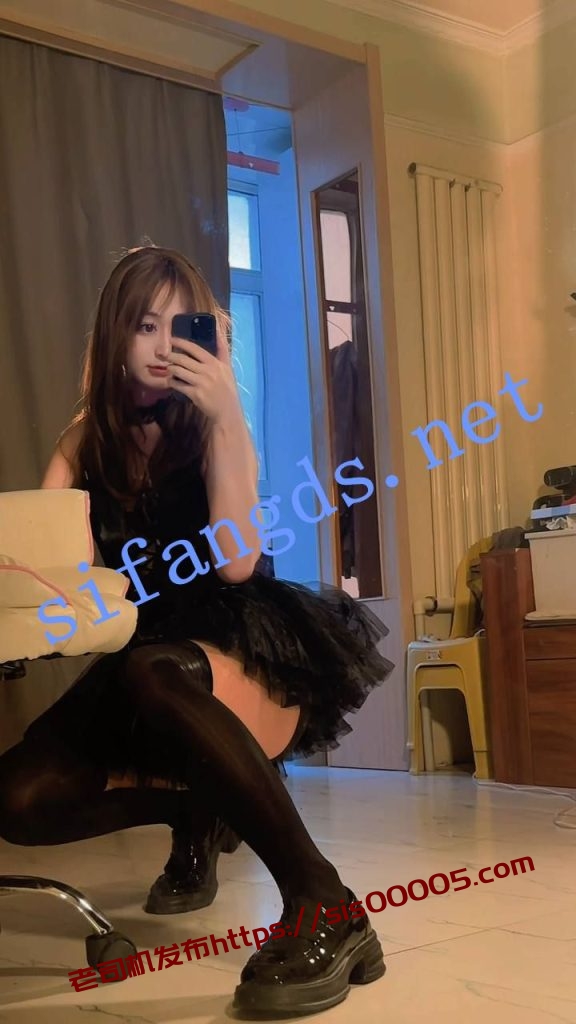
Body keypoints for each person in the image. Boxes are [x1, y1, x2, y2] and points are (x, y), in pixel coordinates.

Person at [0, 246, 393, 1017]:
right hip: (142, 656)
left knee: (153, 672)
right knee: (16, 800)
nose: (160, 345)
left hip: (236, 644)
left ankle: (325, 902)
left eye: (179, 326)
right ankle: (192, 808)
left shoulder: (214, 423)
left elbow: (238, 561)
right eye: (143, 325)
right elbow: (49, 565)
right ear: (114, 334)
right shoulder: (82, 442)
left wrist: (227, 415)